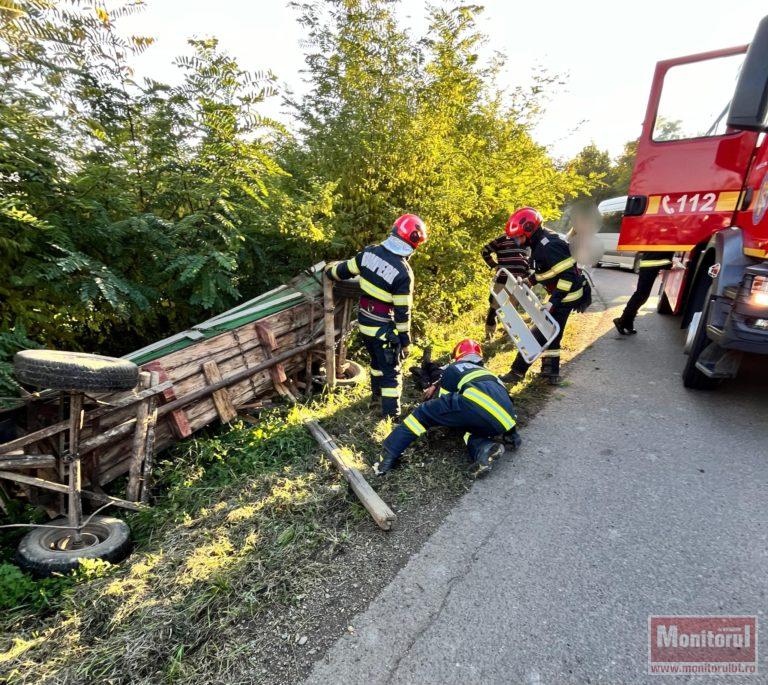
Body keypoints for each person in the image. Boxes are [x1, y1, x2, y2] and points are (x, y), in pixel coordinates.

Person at [326, 214, 427, 419]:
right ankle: (390, 417)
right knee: (391, 373)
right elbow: (402, 312)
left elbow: (341, 271)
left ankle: (375, 401)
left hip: (364, 324)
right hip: (383, 330)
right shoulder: (403, 273)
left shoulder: (368, 253)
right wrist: (405, 342)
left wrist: (329, 270)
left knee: (376, 364)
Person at [375, 338, 521, 478]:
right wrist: (511, 431)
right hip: (506, 421)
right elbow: (507, 401)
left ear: (458, 355)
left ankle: (388, 455)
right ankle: (484, 449)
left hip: (474, 406)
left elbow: (444, 400)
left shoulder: (455, 367)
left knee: (422, 414)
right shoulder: (490, 374)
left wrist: (429, 404)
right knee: (467, 428)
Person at [499, 207, 591, 385]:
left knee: (539, 332)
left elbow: (567, 276)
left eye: (519, 237)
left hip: (567, 295)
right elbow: (548, 270)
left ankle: (517, 372)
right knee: (552, 333)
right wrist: (530, 281)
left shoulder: (549, 246)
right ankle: (550, 373)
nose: (517, 241)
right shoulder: (539, 242)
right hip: (561, 294)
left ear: (529, 231)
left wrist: (553, 302)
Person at [481, 232, 530, 341]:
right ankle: (489, 334)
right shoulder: (503, 238)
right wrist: (494, 266)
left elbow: (528, 261)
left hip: (519, 283)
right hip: (503, 281)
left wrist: (528, 277)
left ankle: (509, 335)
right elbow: (485, 251)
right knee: (494, 308)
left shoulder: (527, 240)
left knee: (512, 310)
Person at [613, 252, 674, 335]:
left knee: (642, 295)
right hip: (650, 266)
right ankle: (622, 321)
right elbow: (660, 253)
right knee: (641, 295)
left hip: (651, 265)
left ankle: (627, 322)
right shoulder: (660, 240)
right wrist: (669, 263)